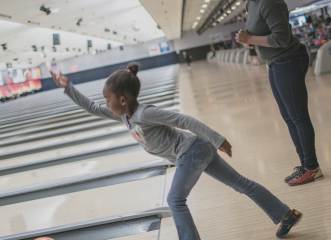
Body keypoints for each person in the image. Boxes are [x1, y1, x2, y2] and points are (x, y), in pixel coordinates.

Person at [50, 63, 302, 239]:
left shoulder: (145, 113)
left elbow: (183, 120)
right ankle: (285, 214)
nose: (106, 104)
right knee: (240, 183)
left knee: (175, 200)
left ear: (123, 99)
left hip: (192, 151)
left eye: (108, 99)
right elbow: (93, 108)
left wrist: (217, 138)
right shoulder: (124, 117)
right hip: (195, 151)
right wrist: (67, 87)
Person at [236, 0, 323, 186]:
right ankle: (305, 165)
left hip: (288, 59)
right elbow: (258, 34)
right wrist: (247, 41)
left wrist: (250, 40)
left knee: (298, 116)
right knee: (289, 118)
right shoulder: (251, 4)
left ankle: (312, 168)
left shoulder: (269, 2)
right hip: (275, 63)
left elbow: (281, 38)